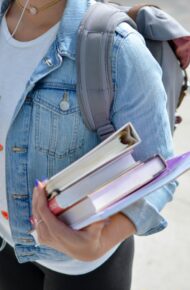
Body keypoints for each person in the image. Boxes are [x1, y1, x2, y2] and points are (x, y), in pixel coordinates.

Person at [0, 0, 177, 289]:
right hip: (7, 245)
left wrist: (101, 240)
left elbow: (158, 170)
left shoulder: (118, 48)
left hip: (86, 267)